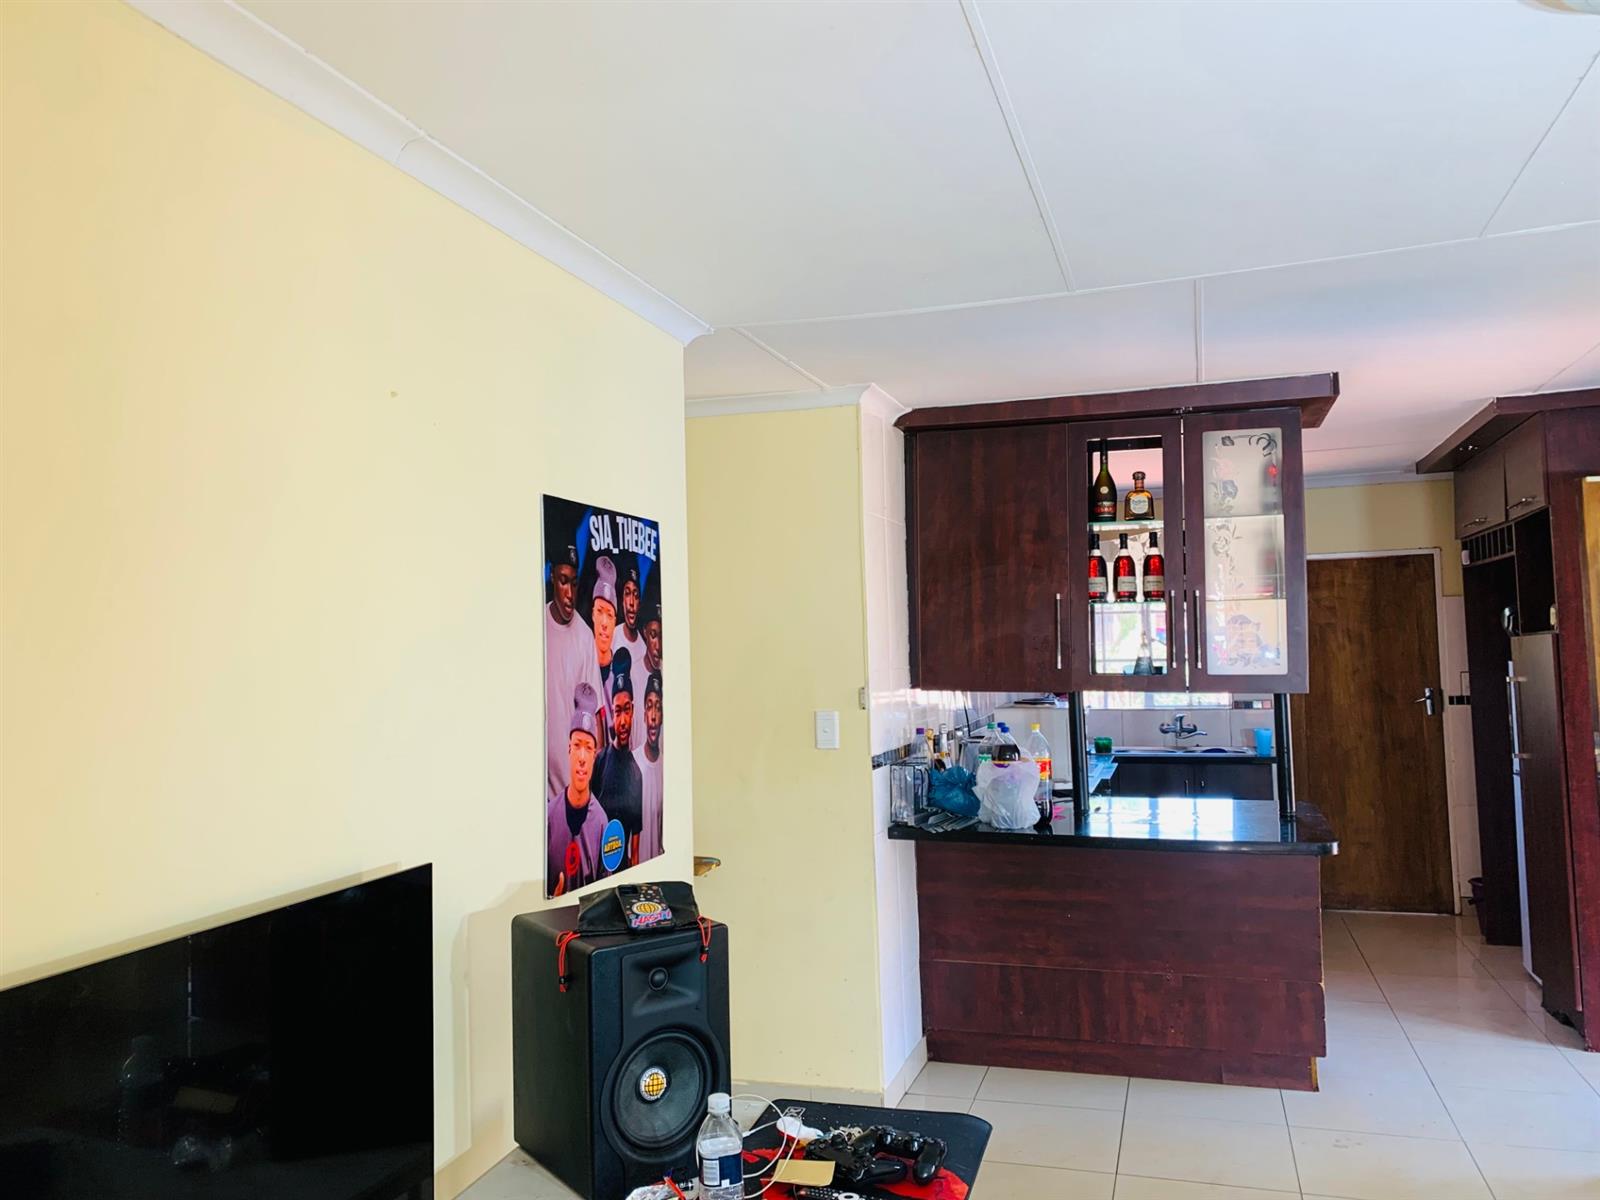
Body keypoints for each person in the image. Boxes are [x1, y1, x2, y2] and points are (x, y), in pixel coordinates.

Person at [546, 543, 602, 799]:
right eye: (563, 581)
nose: (570, 593)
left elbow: (595, 719)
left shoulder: (585, 637)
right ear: (552, 577)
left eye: (574, 583)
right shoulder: (537, 625)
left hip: (573, 796)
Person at [547, 681, 610, 896]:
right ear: (569, 750)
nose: (582, 757)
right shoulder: (549, 816)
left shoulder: (601, 824)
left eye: (588, 748)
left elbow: (604, 897)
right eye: (577, 746)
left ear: (594, 756)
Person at [595, 648, 643, 865]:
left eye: (626, 710)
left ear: (633, 711)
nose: (622, 721)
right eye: (617, 711)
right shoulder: (600, 762)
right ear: (612, 715)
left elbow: (635, 852)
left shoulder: (636, 775)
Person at [636, 670, 665, 865]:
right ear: (644, 715)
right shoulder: (632, 764)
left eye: (658, 707)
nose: (653, 715)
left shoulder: (666, 769)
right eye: (649, 707)